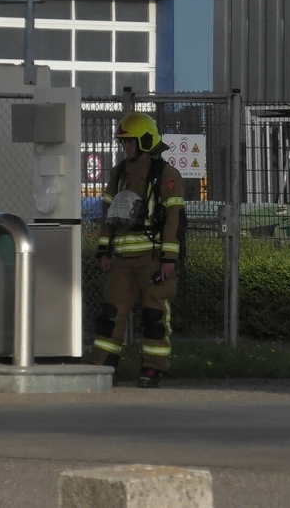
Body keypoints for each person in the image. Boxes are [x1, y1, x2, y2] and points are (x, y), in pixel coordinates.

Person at [92, 111, 185, 388]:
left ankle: (153, 369)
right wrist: (104, 250)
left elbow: (173, 219)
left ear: (145, 141)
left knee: (154, 315)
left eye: (129, 142)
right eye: (123, 143)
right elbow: (108, 213)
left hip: (154, 259)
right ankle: (102, 369)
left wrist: (169, 259)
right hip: (122, 260)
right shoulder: (119, 173)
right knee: (111, 314)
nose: (125, 147)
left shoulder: (167, 175)